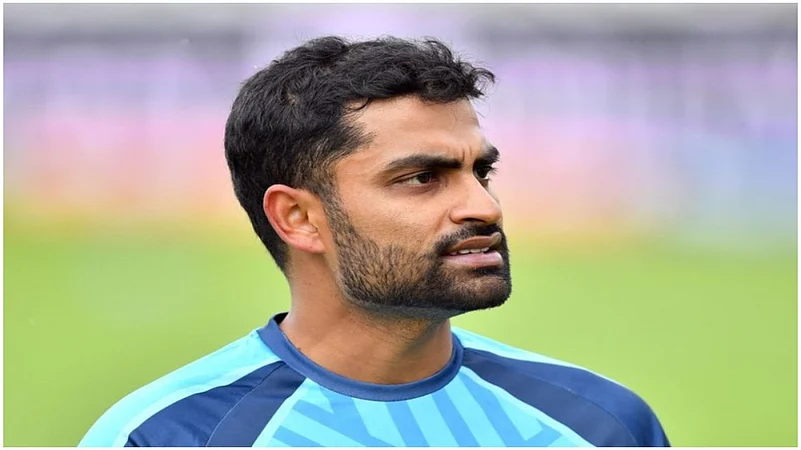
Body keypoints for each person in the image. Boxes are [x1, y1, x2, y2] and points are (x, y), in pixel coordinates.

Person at [79, 36, 670, 447]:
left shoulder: (601, 425)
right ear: (298, 218)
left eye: (481, 171)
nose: (484, 206)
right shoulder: (168, 436)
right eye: (422, 177)